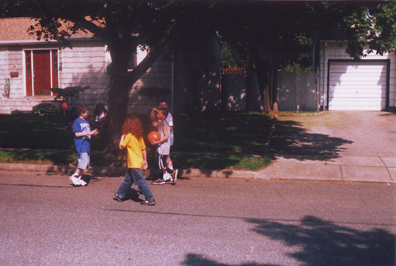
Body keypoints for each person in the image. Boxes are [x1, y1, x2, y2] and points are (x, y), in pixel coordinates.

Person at [114, 115, 156, 206]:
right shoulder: (139, 136)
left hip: (133, 163)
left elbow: (121, 146)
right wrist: (145, 160)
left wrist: (122, 137)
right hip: (138, 161)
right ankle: (120, 194)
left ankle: (150, 198)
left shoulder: (128, 136)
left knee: (140, 181)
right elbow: (143, 149)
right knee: (128, 179)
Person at [70, 104, 99, 186]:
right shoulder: (77, 121)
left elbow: (86, 132)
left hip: (87, 144)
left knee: (85, 163)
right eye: (86, 112)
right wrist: (90, 132)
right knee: (84, 160)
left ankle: (79, 178)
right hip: (81, 144)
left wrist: (93, 133)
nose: (88, 114)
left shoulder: (86, 121)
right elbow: (77, 134)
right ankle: (75, 175)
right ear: (81, 113)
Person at [150, 108, 177, 185]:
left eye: (159, 114)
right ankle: (160, 178)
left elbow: (166, 136)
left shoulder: (165, 124)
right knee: (159, 164)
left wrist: (157, 142)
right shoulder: (161, 123)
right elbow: (159, 133)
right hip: (160, 147)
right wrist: (155, 125)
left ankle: (172, 172)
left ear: (164, 116)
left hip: (163, 148)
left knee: (161, 164)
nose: (157, 115)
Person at [153, 99, 175, 173]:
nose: (163, 106)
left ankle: (170, 172)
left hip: (165, 141)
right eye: (161, 105)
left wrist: (159, 140)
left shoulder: (168, 116)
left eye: (165, 105)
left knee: (165, 157)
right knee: (162, 159)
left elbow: (170, 128)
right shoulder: (159, 115)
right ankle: (165, 175)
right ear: (158, 107)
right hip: (160, 140)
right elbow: (160, 130)